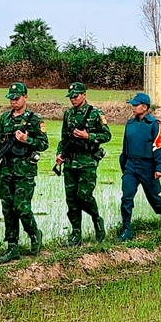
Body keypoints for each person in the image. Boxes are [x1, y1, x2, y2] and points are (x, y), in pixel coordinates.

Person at [0, 82, 49, 263]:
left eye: (17, 98)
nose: (13, 102)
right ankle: (12, 246)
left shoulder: (35, 120)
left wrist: (27, 139)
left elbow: (43, 144)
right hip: (6, 170)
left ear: (25, 98)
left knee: (21, 207)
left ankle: (34, 234)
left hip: (25, 171)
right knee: (8, 209)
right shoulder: (5, 118)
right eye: (11, 99)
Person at [55, 82, 112, 245]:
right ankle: (76, 234)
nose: (73, 99)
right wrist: (60, 154)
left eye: (76, 96)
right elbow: (64, 138)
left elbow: (107, 135)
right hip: (70, 163)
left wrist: (89, 136)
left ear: (84, 95)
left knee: (84, 196)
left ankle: (96, 220)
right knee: (71, 200)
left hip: (87, 162)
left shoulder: (95, 114)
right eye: (71, 96)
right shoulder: (68, 115)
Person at [119, 93, 161, 241]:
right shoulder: (129, 124)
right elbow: (125, 147)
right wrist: (124, 165)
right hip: (131, 165)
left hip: (147, 166)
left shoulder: (154, 124)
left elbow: (159, 146)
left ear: (145, 107)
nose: (133, 107)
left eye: (136, 105)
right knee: (126, 197)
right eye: (133, 104)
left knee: (153, 197)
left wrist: (159, 167)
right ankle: (126, 229)